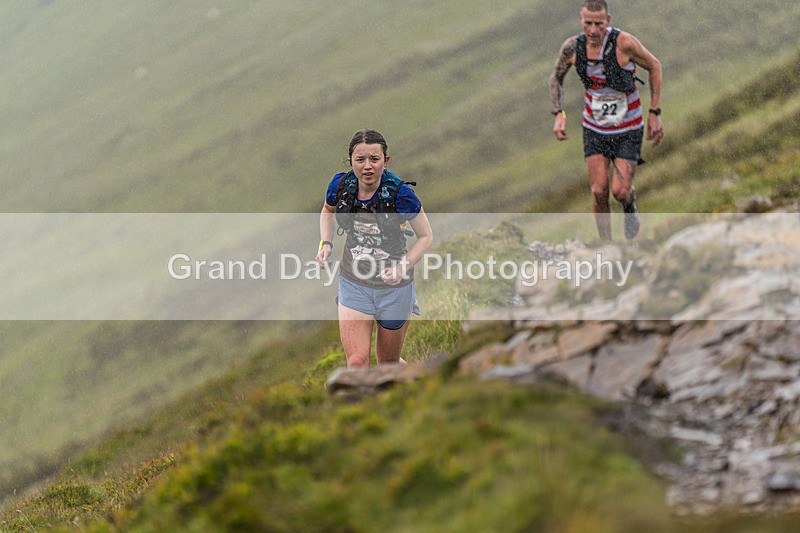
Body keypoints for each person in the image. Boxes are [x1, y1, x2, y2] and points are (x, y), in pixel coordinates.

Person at [316, 129, 433, 368]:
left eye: (374, 159)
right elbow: (327, 211)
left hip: (395, 288)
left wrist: (403, 267)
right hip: (354, 282)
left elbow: (426, 236)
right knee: (357, 362)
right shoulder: (340, 186)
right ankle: (359, 404)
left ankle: (420, 382)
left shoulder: (401, 194)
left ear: (385, 161)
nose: (367, 166)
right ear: (350, 161)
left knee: (387, 364)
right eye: (360, 160)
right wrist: (326, 243)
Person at [549, 0, 664, 241]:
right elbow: (556, 78)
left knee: (619, 191)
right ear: (581, 21)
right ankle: (606, 248)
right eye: (588, 23)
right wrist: (559, 114)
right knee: (599, 191)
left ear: (608, 21)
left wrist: (655, 113)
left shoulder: (624, 44)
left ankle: (630, 205)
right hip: (595, 128)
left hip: (628, 128)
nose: (593, 30)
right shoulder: (572, 49)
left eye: (598, 24)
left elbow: (654, 66)